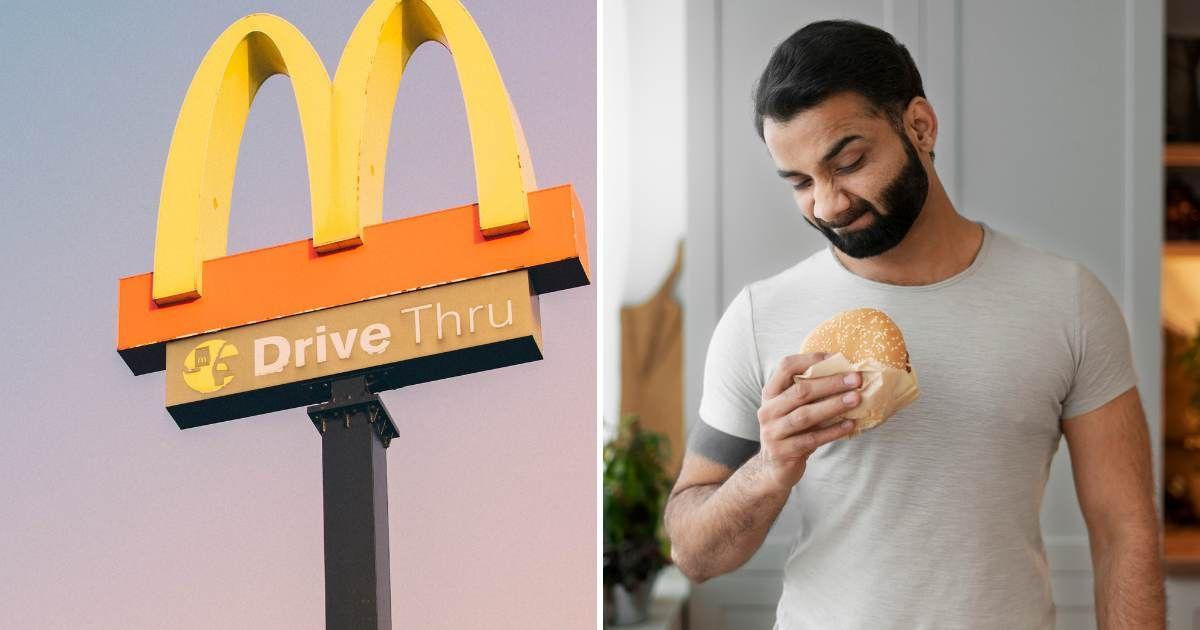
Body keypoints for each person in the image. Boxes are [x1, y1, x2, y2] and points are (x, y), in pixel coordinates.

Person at [663, 19, 1165, 629]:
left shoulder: (1068, 302)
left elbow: (1125, 530)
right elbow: (693, 552)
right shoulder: (759, 317)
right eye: (799, 182)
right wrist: (771, 468)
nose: (827, 205)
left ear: (920, 126)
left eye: (848, 162)